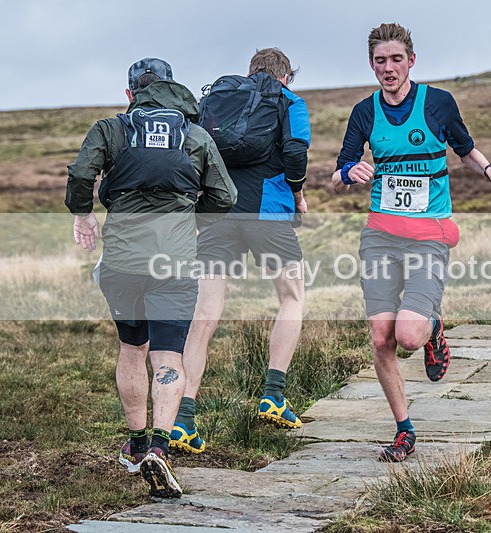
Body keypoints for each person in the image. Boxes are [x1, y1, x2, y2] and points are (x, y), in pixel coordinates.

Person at [331, 23, 491, 462]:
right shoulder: (364, 112)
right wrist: (349, 173)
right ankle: (404, 430)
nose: (389, 68)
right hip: (379, 237)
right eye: (380, 60)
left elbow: (465, 149)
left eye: (396, 59)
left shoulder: (438, 103)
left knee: (408, 336)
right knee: (381, 337)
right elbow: (337, 175)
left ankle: (433, 329)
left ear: (411, 61)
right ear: (371, 64)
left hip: (428, 238)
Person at [66, 57, 237, 497]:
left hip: (122, 264)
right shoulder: (194, 135)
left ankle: (137, 442)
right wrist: (189, 217)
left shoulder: (111, 129)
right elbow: (226, 194)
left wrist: (84, 214)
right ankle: (160, 447)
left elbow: (82, 173)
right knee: (168, 357)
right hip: (174, 264)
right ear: (172, 88)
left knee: (131, 348)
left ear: (131, 94)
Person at [169, 48, 311, 454]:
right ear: (287, 76)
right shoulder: (290, 101)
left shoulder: (220, 100)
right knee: (292, 297)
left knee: (204, 314)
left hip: (218, 213)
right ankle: (274, 395)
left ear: (251, 72)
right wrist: (298, 195)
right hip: (267, 213)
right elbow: (295, 153)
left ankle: (183, 418)